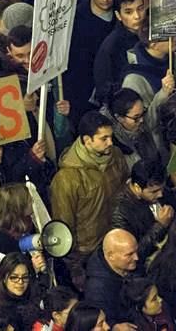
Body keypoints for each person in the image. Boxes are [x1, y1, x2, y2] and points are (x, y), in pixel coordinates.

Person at [50, 112, 129, 291]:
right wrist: (75, 267)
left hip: (118, 239)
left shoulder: (116, 156)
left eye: (111, 137)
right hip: (89, 254)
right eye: (104, 138)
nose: (111, 142)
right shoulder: (66, 178)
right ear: (87, 140)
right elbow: (64, 228)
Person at [111, 160, 173, 262]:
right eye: (154, 191)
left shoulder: (155, 192)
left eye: (162, 189)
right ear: (137, 187)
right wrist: (160, 226)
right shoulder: (120, 212)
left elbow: (174, 198)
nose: (160, 194)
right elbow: (133, 253)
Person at [94, 0, 146, 104]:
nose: (137, 16)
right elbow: (104, 89)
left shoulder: (151, 33)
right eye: (129, 12)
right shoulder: (111, 47)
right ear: (118, 15)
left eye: (140, 8)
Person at [0, 252, 45, 330]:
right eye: (14, 277)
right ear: (4, 278)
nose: (20, 282)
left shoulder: (31, 292)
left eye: (25, 277)